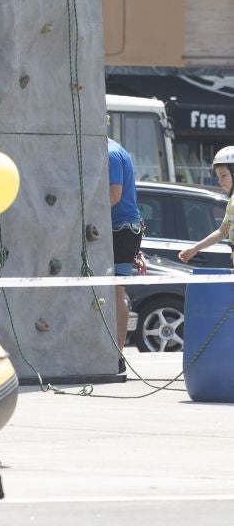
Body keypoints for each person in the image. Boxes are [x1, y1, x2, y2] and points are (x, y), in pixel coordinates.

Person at [108, 136, 143, 371]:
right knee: (111, 291)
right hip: (121, 228)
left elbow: (115, 195)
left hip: (120, 230)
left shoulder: (109, 153)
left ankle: (118, 354)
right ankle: (113, 351)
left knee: (117, 291)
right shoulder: (115, 149)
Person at [178, 145, 234, 266]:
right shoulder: (231, 202)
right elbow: (222, 232)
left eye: (223, 175)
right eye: (218, 177)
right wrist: (195, 249)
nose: (220, 181)